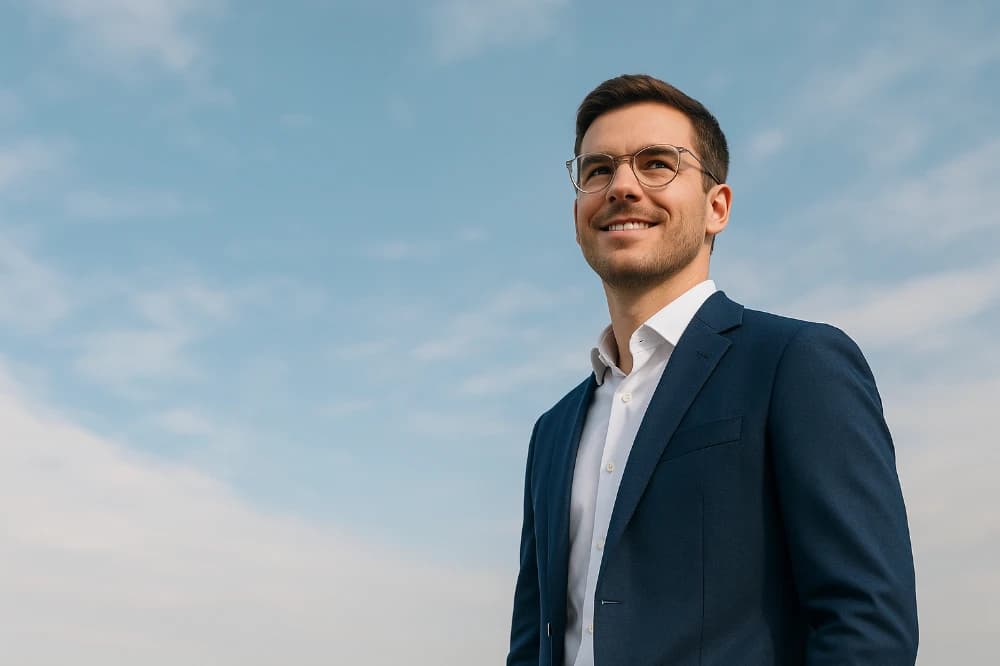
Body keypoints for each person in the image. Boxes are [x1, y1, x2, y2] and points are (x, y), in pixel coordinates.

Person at [506, 74, 918, 666]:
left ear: (716, 208)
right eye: (598, 170)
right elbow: (532, 642)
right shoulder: (551, 431)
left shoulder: (796, 365)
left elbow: (867, 624)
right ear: (577, 213)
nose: (622, 186)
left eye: (656, 165)